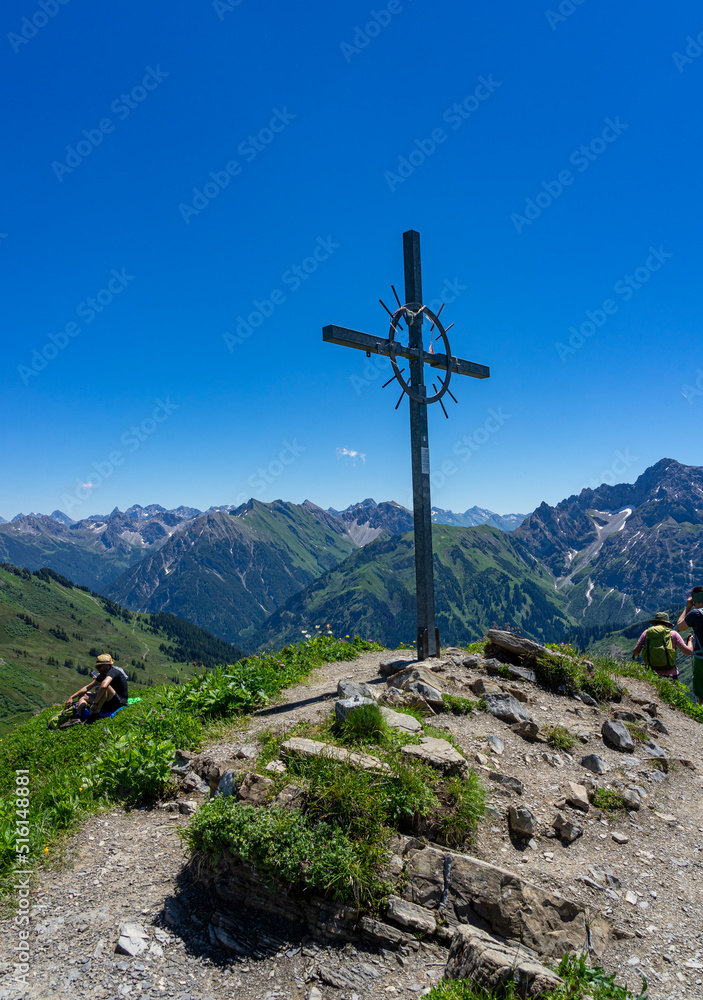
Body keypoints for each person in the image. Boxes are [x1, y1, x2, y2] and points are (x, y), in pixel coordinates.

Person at [65, 653, 129, 720]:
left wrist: (95, 703)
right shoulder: (103, 674)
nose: (98, 669)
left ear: (107, 665)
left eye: (100, 666)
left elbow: (104, 686)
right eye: (97, 667)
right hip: (107, 702)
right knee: (83, 696)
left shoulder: (113, 672)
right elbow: (88, 687)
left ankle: (96, 713)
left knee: (106, 687)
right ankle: (77, 716)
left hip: (118, 703)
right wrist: (72, 697)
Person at [631, 611, 692, 680]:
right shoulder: (673, 634)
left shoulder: (647, 633)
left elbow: (635, 652)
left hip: (651, 674)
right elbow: (688, 652)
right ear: (667, 624)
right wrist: (690, 640)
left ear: (655, 623)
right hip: (671, 674)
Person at [676, 586, 703, 700]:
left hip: (701, 657)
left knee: (701, 689)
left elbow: (680, 626)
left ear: (695, 601)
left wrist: (688, 608)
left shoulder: (695, 614)